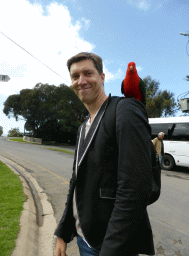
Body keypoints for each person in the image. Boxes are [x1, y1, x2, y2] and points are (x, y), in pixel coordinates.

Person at [54, 52, 155, 256]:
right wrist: (63, 232)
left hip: (113, 247)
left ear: (102, 77)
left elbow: (136, 189)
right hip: (85, 240)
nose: (81, 81)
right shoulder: (82, 128)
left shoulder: (125, 109)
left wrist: (110, 251)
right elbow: (76, 182)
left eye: (88, 73)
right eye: (75, 76)